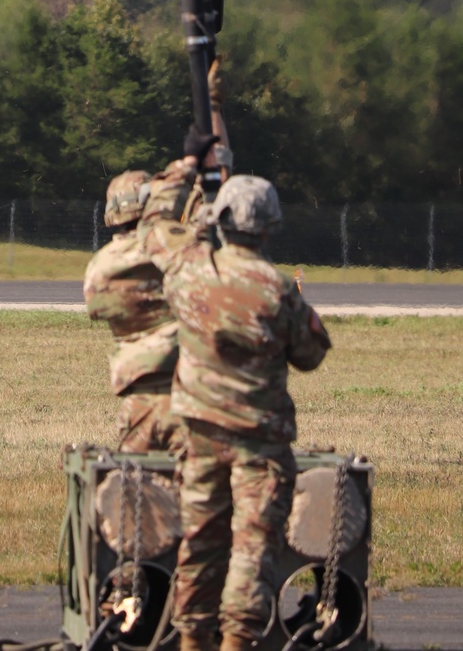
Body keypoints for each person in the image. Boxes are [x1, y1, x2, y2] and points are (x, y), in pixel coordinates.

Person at [140, 159, 331, 651]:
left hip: (199, 435)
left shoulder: (190, 271)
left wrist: (188, 181)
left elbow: (156, 228)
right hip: (259, 443)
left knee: (199, 541)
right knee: (251, 547)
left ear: (221, 221)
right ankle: (237, 642)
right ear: (270, 226)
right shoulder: (277, 289)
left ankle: (191, 641)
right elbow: (312, 354)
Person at [83, 170, 188, 454]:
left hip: (139, 400)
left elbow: (97, 309)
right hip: (192, 394)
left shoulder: (100, 267)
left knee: (137, 485)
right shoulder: (175, 249)